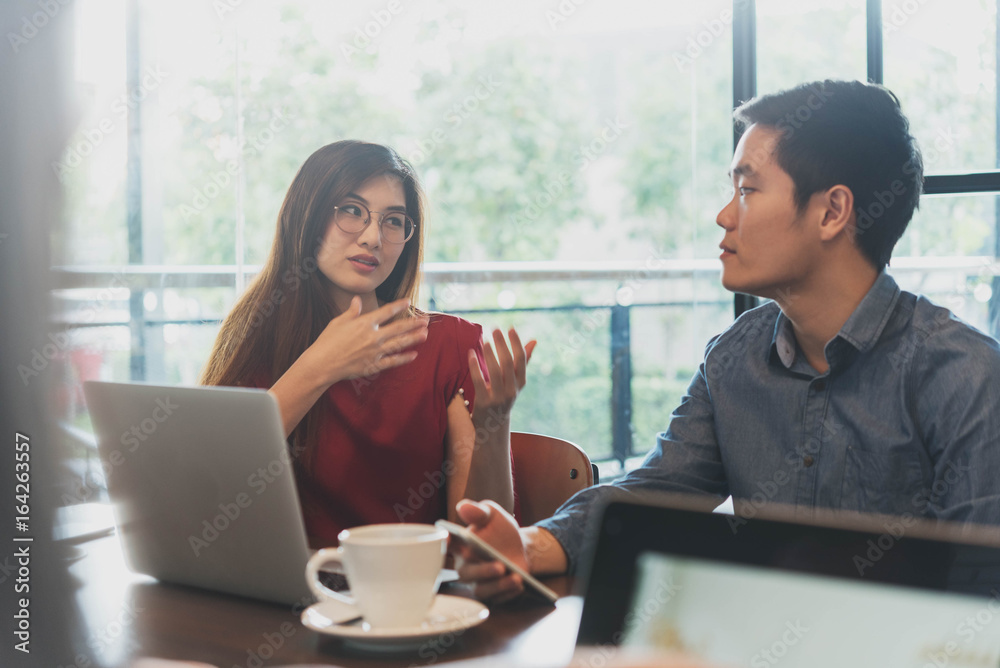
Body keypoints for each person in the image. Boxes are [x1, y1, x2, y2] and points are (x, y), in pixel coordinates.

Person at [453, 79, 1000, 601]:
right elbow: (656, 492)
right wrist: (526, 544)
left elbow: (980, 596)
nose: (722, 216)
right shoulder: (734, 357)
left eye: (747, 189)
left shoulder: (966, 376)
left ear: (832, 212)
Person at [200, 140, 535, 546]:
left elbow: (481, 548)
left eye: (394, 221)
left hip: (408, 596)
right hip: (288, 598)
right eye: (352, 211)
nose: (374, 237)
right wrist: (320, 366)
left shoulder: (452, 345)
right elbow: (211, 494)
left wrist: (493, 427)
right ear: (306, 217)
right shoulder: (259, 339)